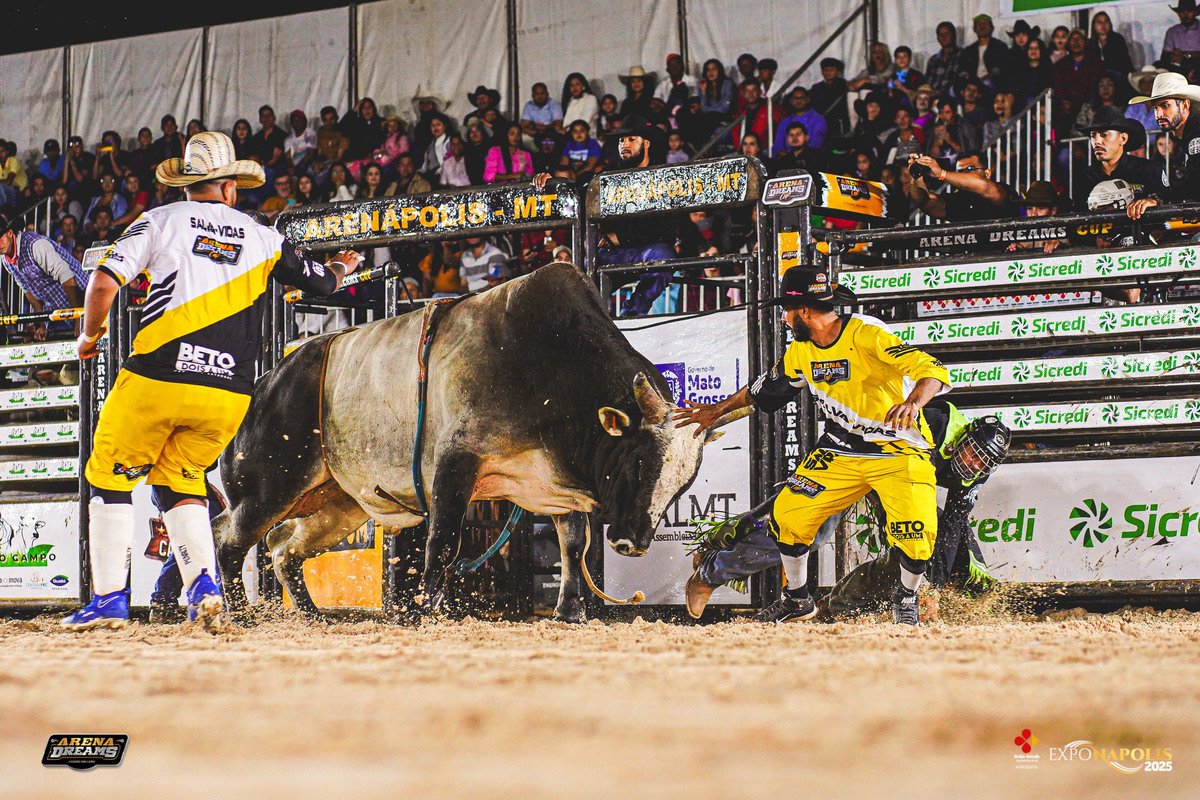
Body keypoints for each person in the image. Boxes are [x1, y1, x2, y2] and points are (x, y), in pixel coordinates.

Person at [60, 131, 360, 632]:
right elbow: (324, 283)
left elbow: (104, 281)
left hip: (157, 379)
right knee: (180, 482)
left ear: (187, 183)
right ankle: (204, 587)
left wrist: (88, 337)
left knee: (108, 477)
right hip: (226, 394)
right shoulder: (262, 236)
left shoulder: (160, 220)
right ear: (230, 186)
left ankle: (109, 599)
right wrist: (340, 266)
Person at [673, 266, 951, 625]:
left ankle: (907, 597)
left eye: (787, 311)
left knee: (914, 533)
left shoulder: (867, 333)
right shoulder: (801, 351)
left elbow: (931, 369)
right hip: (840, 451)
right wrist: (716, 410)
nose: (784, 319)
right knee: (789, 515)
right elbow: (764, 389)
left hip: (898, 449)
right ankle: (796, 600)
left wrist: (913, 402)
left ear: (804, 310)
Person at [684, 401, 1012, 620]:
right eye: (972, 454)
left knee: (919, 549)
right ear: (962, 439)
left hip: (899, 481)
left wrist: (930, 589)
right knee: (813, 532)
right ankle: (711, 572)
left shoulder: (976, 472)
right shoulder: (935, 425)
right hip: (859, 456)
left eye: (982, 463)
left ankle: (834, 607)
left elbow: (953, 526)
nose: (973, 464)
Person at [0, 211, 90, 339]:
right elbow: (29, 292)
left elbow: (67, 277)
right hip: (59, 308)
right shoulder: (6, 260)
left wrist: (78, 316)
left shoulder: (35, 245)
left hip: (84, 298)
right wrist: (40, 325)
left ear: (10, 233)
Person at [1126, 72, 1200, 216]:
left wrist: (1160, 199)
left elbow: (1195, 181)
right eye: (1155, 108)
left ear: (1185, 105)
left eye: (1165, 106)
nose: (1158, 114)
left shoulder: (1196, 130)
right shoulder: (1188, 131)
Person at [907, 150, 1021, 221]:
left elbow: (983, 186)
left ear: (987, 173)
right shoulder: (958, 199)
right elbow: (924, 202)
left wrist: (942, 174)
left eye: (970, 169)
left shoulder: (1003, 189)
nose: (964, 174)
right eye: (959, 171)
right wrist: (917, 174)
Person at [1054, 28, 1103, 135]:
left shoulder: (1095, 63)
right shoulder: (1060, 65)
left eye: (1079, 39)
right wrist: (1064, 102)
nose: (1076, 42)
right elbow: (1058, 88)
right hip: (1067, 109)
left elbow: (1095, 88)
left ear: (1085, 42)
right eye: (1073, 39)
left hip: (1087, 106)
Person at [959, 13, 1009, 90]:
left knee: (986, 84)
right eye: (979, 24)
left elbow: (999, 69)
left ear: (992, 28)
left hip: (991, 83)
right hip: (972, 83)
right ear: (974, 29)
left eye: (985, 24)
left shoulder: (1000, 47)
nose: (982, 26)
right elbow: (963, 70)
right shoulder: (969, 50)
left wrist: (981, 80)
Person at [773, 86, 827, 155]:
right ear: (791, 101)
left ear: (808, 99)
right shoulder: (785, 122)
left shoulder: (818, 119)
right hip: (788, 158)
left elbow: (816, 145)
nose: (798, 101)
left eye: (802, 98)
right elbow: (777, 146)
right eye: (795, 98)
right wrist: (780, 154)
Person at [810, 57, 851, 139]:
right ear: (822, 72)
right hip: (821, 123)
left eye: (831, 70)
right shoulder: (816, 88)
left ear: (838, 71)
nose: (828, 72)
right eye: (826, 70)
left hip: (839, 124)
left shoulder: (844, 85)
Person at [1088, 11, 1134, 77]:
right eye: (1099, 22)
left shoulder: (1117, 39)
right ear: (1094, 26)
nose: (1103, 25)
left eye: (1106, 22)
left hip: (1117, 76)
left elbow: (1123, 63)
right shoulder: (1090, 43)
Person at [1159, 0, 1200, 73]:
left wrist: (1186, 56)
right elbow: (1165, 57)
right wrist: (1173, 55)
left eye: (1189, 11)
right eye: (1182, 11)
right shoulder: (1172, 32)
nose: (1185, 14)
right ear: (1178, 13)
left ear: (1195, 12)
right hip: (1178, 70)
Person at [926, 22, 962, 99]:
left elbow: (962, 82)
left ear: (953, 35)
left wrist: (941, 93)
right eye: (940, 34)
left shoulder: (962, 55)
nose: (943, 37)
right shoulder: (933, 60)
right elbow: (927, 83)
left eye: (947, 34)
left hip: (952, 98)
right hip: (932, 98)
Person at [283, 109, 318, 175]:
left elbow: (310, 154)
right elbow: (288, 157)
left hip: (307, 164)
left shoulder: (310, 134)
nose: (297, 123)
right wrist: (291, 167)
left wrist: (297, 168)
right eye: (294, 121)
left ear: (304, 121)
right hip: (294, 166)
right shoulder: (288, 139)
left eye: (299, 120)